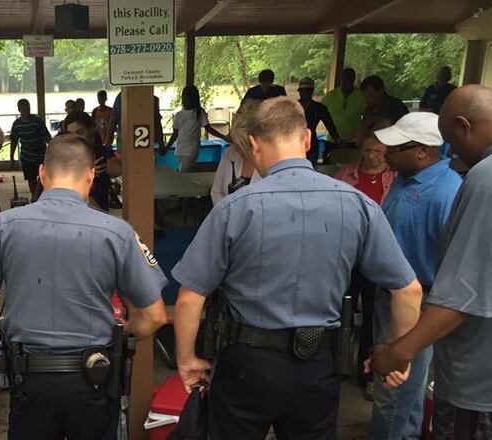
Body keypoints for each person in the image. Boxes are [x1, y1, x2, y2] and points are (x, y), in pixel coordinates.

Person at [172, 97, 423, 439]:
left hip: (246, 365)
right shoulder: (358, 205)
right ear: (307, 139)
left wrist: (187, 361)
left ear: (255, 144)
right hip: (317, 368)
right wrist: (398, 354)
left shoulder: (235, 208)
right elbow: (408, 290)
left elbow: (190, 297)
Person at [0, 135, 169, 440]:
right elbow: (155, 316)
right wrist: (124, 335)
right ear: (91, 175)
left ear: (41, 173)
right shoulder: (117, 232)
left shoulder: (2, 226)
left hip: (29, 380)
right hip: (94, 377)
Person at [370, 84, 492, 440]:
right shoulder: (403, 183)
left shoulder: (471, 182)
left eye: (452, 139)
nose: (452, 151)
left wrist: (400, 350)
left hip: (434, 319)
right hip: (402, 306)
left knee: (398, 402)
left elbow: (464, 289)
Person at [367, 112, 462, 440]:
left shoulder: (447, 192)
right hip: (388, 296)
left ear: (423, 151)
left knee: (398, 395)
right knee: (387, 388)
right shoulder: (405, 179)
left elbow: (455, 264)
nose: (387, 153)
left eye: (395, 148)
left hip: (419, 302)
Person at [335, 120, 398, 399]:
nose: (372, 155)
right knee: (339, 312)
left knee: (373, 316)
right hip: (347, 255)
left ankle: (367, 373)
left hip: (377, 257)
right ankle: (336, 366)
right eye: (368, 150)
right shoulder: (344, 175)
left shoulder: (394, 180)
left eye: (378, 151)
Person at [61, 111, 121, 211]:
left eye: (80, 132)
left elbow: (118, 169)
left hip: (100, 213)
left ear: (92, 130)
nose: (76, 138)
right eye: (71, 135)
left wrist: (105, 164)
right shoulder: (63, 156)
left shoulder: (101, 152)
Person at [163, 85, 231, 173]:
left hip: (192, 149)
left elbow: (208, 129)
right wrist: (167, 147)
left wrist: (223, 137)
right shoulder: (178, 115)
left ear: (193, 99)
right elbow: (175, 134)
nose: (183, 101)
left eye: (186, 99)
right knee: (186, 173)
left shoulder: (199, 113)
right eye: (183, 98)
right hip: (180, 149)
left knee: (182, 173)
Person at [211, 101, 262, 205]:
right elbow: (216, 192)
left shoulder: (274, 162)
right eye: (236, 144)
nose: (238, 150)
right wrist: (229, 215)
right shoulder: (230, 152)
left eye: (243, 145)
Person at [10, 99, 51, 195]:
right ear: (19, 110)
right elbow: (14, 141)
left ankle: (38, 194)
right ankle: (35, 196)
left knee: (42, 177)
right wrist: (11, 157)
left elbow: (46, 137)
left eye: (27, 109)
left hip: (40, 155)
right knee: (31, 179)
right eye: (23, 110)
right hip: (26, 157)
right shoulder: (16, 124)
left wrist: (53, 150)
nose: (26, 112)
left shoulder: (37, 121)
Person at [297, 77, 341, 165]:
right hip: (294, 145)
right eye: (302, 90)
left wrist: (339, 141)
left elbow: (330, 125)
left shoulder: (319, 108)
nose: (304, 93)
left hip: (312, 146)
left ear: (312, 91)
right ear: (299, 92)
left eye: (307, 90)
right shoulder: (292, 106)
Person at [322, 67, 365, 145]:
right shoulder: (331, 96)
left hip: (352, 141)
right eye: (345, 78)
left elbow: (367, 117)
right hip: (332, 140)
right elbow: (320, 113)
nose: (347, 81)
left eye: (350, 79)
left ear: (353, 79)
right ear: (341, 79)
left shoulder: (361, 96)